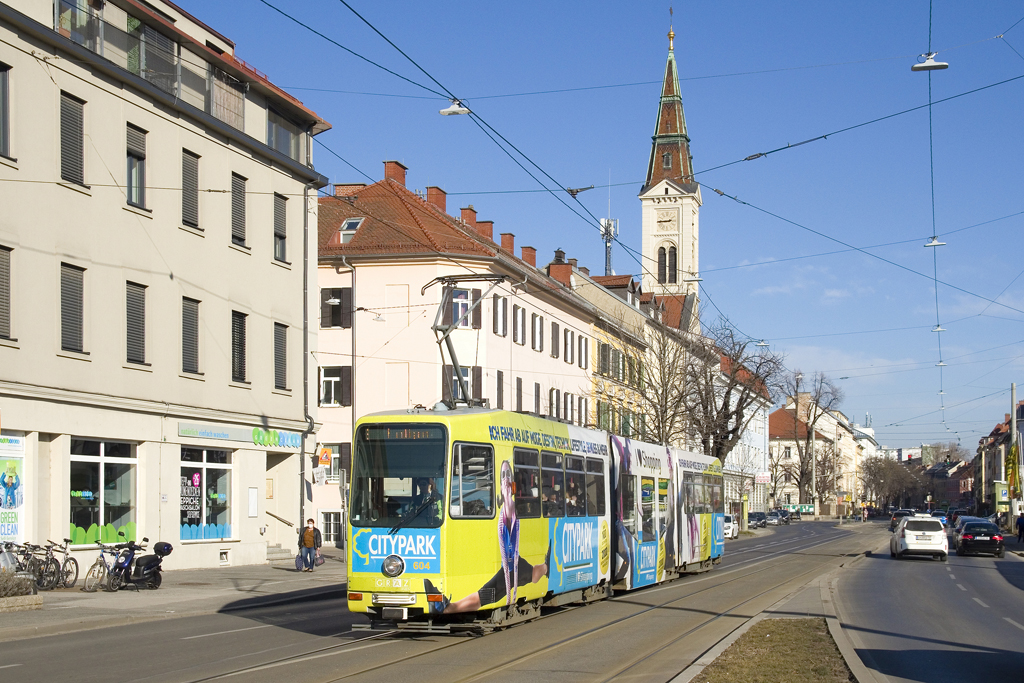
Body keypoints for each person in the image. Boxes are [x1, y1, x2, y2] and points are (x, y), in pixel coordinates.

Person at [426, 460, 549, 614]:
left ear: (512, 484)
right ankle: (446, 607)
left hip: (512, 568)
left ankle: (447, 608)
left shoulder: (510, 505)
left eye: (507, 477)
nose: (504, 480)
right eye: (502, 476)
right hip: (513, 565)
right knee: (489, 592)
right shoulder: (505, 506)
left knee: (484, 594)